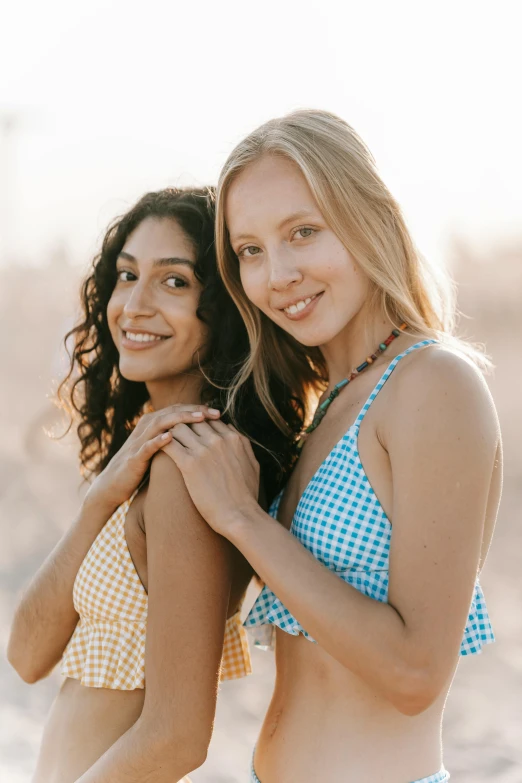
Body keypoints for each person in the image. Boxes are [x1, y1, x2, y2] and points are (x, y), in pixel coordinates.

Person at [162, 112, 501, 783]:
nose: (278, 273)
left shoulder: (433, 384)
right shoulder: (329, 400)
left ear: (368, 215)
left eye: (302, 232)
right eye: (250, 250)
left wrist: (244, 520)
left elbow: (414, 674)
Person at [7, 187, 297, 783]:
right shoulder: (145, 462)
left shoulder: (188, 470)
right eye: (126, 275)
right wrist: (99, 500)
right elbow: (27, 656)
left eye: (174, 282)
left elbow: (178, 737)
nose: (134, 305)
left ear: (225, 307)